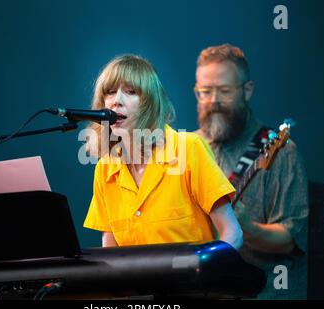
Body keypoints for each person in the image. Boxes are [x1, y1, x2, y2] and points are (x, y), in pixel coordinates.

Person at [83, 54, 243, 251]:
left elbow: (233, 233)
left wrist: (206, 271)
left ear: (150, 103)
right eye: (110, 92)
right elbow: (111, 254)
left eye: (131, 91)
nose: (117, 101)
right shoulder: (104, 169)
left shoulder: (188, 148)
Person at [193, 44, 309, 299]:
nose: (214, 101)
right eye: (205, 92)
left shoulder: (281, 151)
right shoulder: (188, 150)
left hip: (263, 291)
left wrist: (247, 227)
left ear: (247, 90)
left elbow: (290, 240)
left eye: (224, 91)